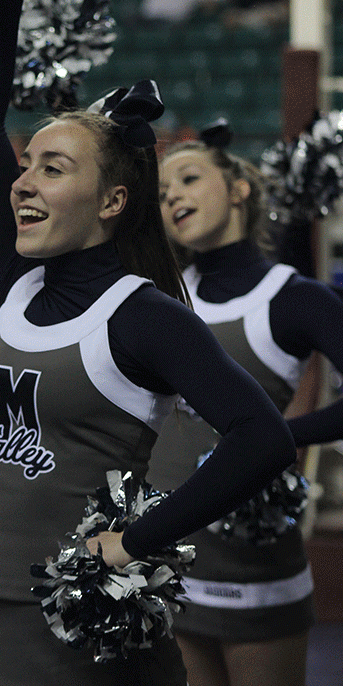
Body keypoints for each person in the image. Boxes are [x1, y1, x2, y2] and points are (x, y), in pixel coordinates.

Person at [0, 0, 296, 686]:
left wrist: (137, 541)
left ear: (113, 200)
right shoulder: (16, 285)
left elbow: (265, 438)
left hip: (91, 637)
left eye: (53, 168)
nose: (22, 183)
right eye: (26, 167)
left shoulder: (143, 316)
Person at [152, 128, 343, 686]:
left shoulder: (292, 298)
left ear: (238, 190)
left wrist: (281, 437)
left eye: (189, 180)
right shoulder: (158, 298)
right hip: (168, 557)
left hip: (253, 562)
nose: (173, 198)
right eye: (162, 193)